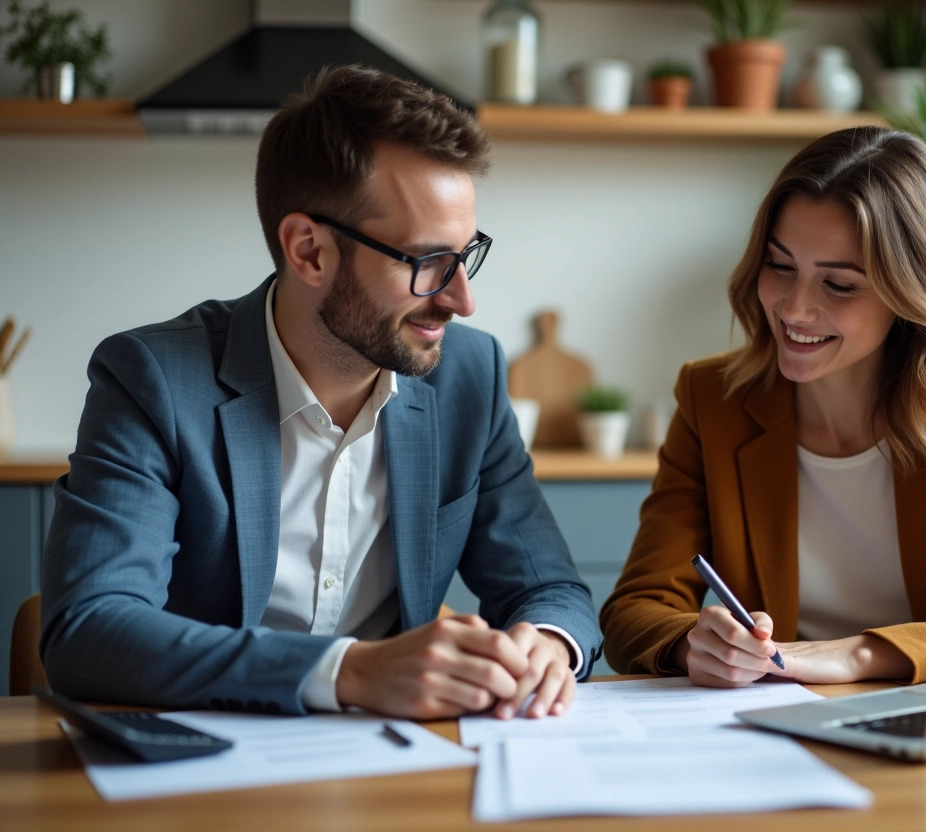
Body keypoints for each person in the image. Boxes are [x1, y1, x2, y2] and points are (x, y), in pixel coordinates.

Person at [41, 65, 601, 720]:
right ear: (308, 251)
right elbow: (88, 629)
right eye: (425, 263)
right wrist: (350, 672)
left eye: (465, 254)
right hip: (203, 768)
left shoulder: (468, 376)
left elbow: (552, 589)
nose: (462, 300)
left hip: (402, 768)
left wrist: (549, 647)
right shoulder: (153, 379)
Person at [600, 126, 926, 688]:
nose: (795, 308)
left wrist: (858, 656)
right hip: (774, 731)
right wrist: (693, 643)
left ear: (912, 292)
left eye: (839, 285)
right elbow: (634, 611)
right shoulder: (712, 398)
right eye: (780, 266)